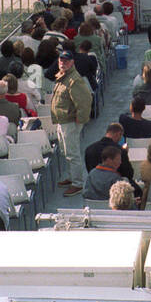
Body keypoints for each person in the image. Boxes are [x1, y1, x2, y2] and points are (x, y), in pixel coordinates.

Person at [51, 50, 94, 196]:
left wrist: (79, 120)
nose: (63, 63)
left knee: (72, 153)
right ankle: (71, 177)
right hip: (62, 121)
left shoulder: (74, 80)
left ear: (72, 62)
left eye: (66, 61)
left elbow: (85, 100)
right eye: (61, 60)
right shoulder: (63, 77)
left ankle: (77, 183)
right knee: (65, 151)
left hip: (70, 122)